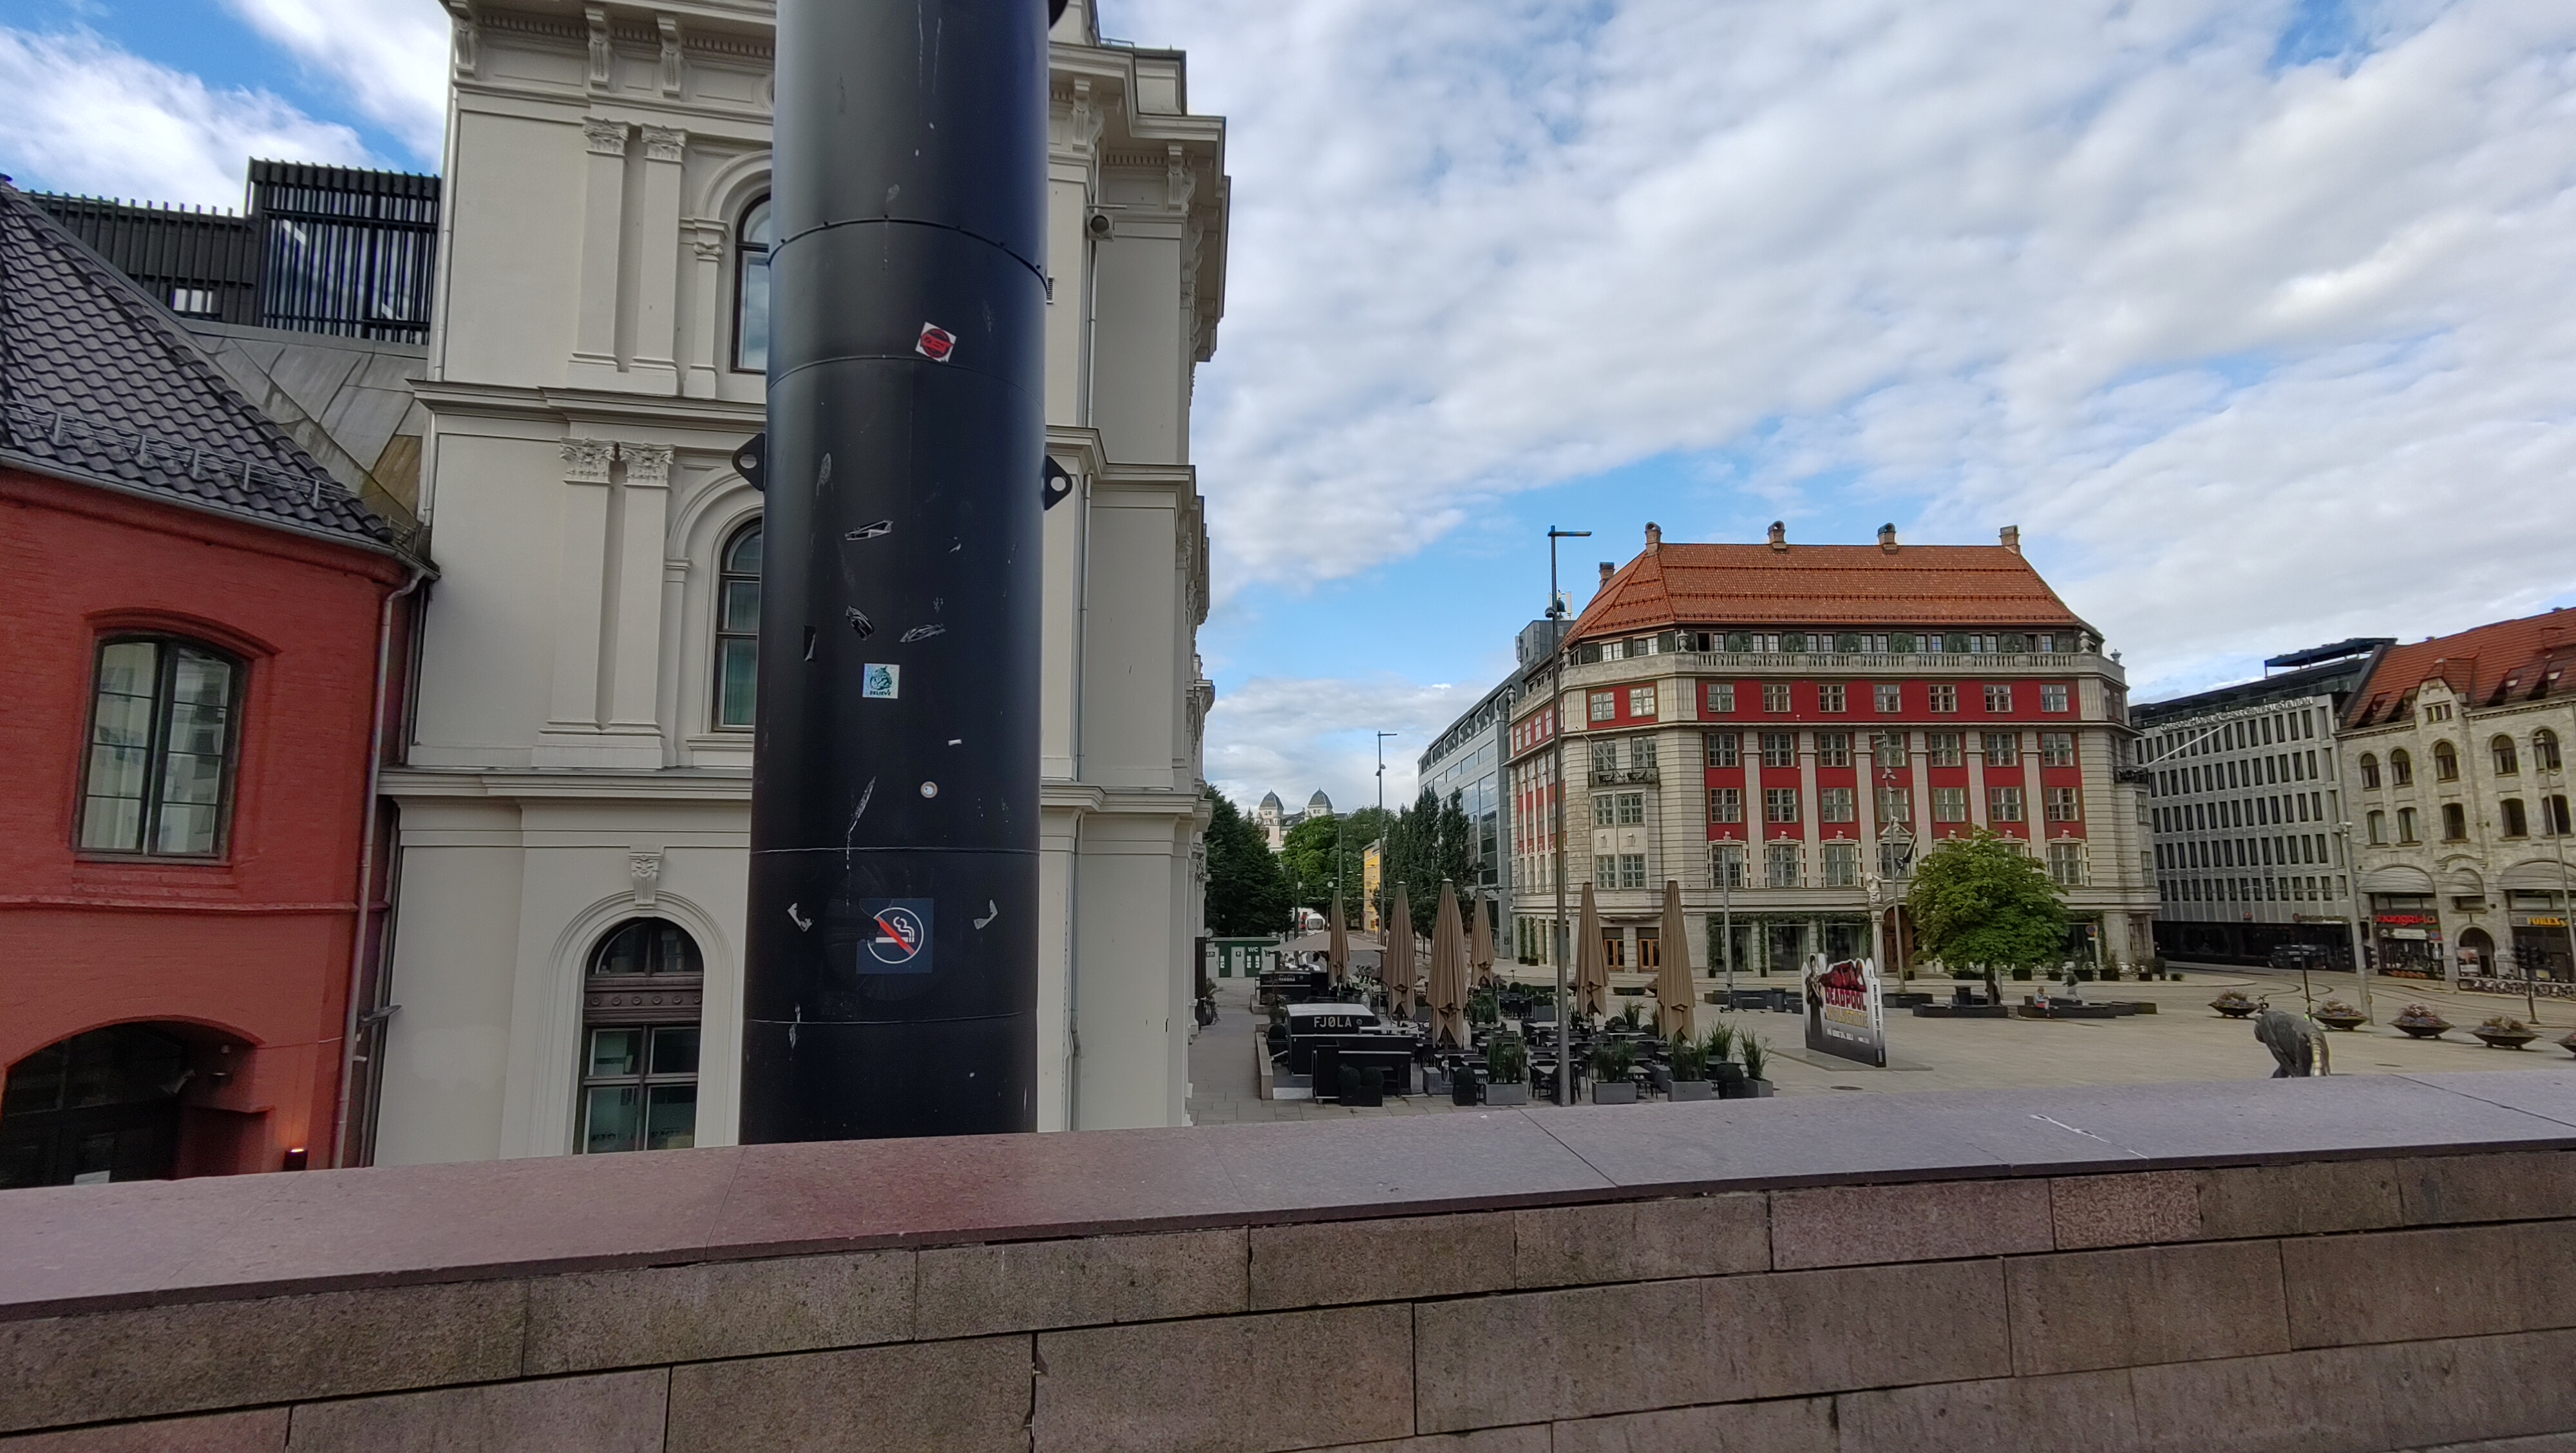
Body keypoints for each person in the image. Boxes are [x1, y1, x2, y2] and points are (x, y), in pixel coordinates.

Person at [2254, 1003, 2314, 1078]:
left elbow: (2279, 1053)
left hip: (2298, 1042)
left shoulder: (2270, 1023)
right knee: (2287, 1065)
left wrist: (2294, 1074)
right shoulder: (2270, 1022)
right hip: (2296, 1043)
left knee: (2290, 1065)